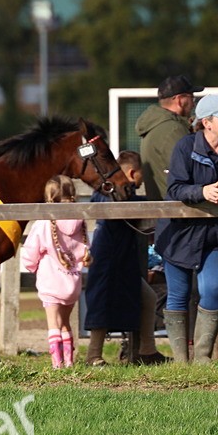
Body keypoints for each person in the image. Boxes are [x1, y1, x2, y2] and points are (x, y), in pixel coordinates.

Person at [156, 93, 218, 363]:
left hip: (217, 237)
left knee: (213, 290)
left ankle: (202, 361)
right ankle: (181, 363)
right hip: (179, 235)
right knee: (178, 295)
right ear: (206, 122)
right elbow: (176, 188)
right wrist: (203, 191)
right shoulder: (184, 147)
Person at [82, 151, 168, 366]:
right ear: (131, 173)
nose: (142, 181)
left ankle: (147, 350)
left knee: (147, 297)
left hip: (122, 256)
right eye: (140, 175)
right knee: (102, 300)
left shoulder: (121, 191)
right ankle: (93, 356)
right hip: (108, 254)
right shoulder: (108, 190)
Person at [21, 175, 91, 369]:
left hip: (50, 281)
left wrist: (32, 267)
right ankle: (69, 362)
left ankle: (57, 364)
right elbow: (85, 250)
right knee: (65, 322)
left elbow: (30, 252)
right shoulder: (80, 222)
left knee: (53, 324)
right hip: (72, 283)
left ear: (48, 197)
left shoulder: (44, 223)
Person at [137, 75, 203, 201]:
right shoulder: (173, 130)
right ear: (180, 100)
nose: (193, 104)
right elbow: (192, 170)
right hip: (174, 208)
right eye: (191, 98)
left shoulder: (156, 125)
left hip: (163, 205)